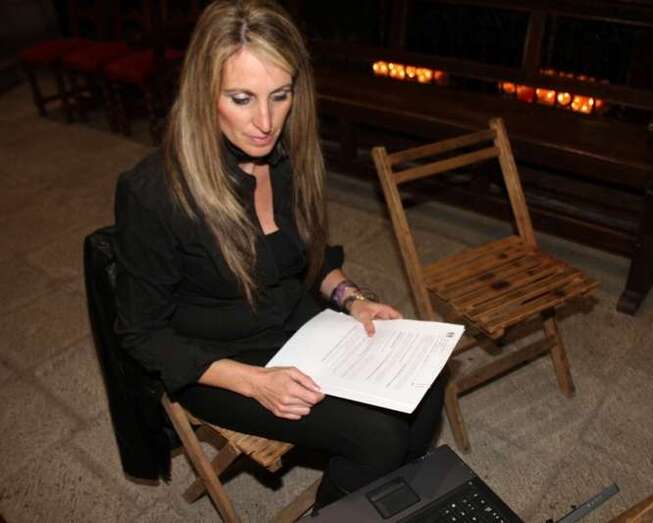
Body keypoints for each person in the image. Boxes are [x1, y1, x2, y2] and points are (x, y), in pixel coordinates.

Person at [113, 0, 445, 510]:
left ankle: (380, 502)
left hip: (298, 326)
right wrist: (255, 384)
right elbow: (142, 333)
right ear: (203, 93)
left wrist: (352, 299)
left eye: (280, 96)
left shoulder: (288, 157)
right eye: (241, 98)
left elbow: (311, 256)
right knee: (376, 436)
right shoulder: (154, 192)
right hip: (217, 360)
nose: (265, 122)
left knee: (423, 384)